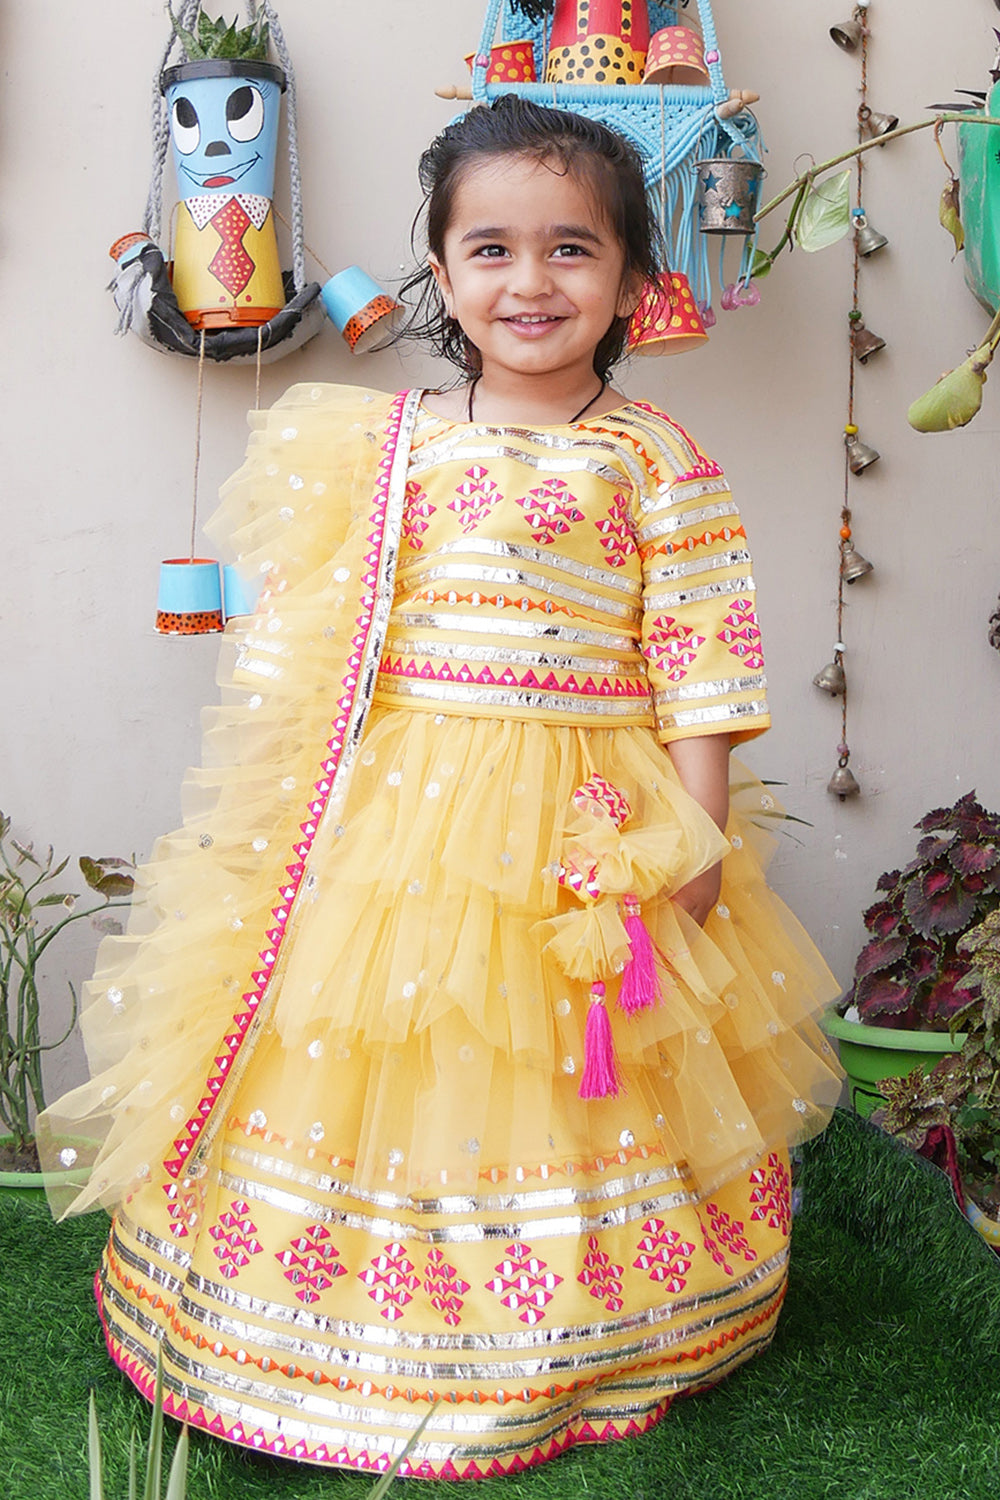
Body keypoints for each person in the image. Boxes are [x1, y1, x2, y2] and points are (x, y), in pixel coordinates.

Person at [39, 96, 842, 1479]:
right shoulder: (385, 444)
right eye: (491, 249)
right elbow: (318, 647)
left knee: (555, 1066)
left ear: (635, 281)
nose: (530, 283)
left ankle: (580, 1335)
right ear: (442, 268)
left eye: (572, 250)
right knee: (380, 1050)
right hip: (397, 817)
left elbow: (705, 657)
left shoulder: (653, 460)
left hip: (589, 825)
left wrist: (695, 835)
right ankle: (319, 1332)